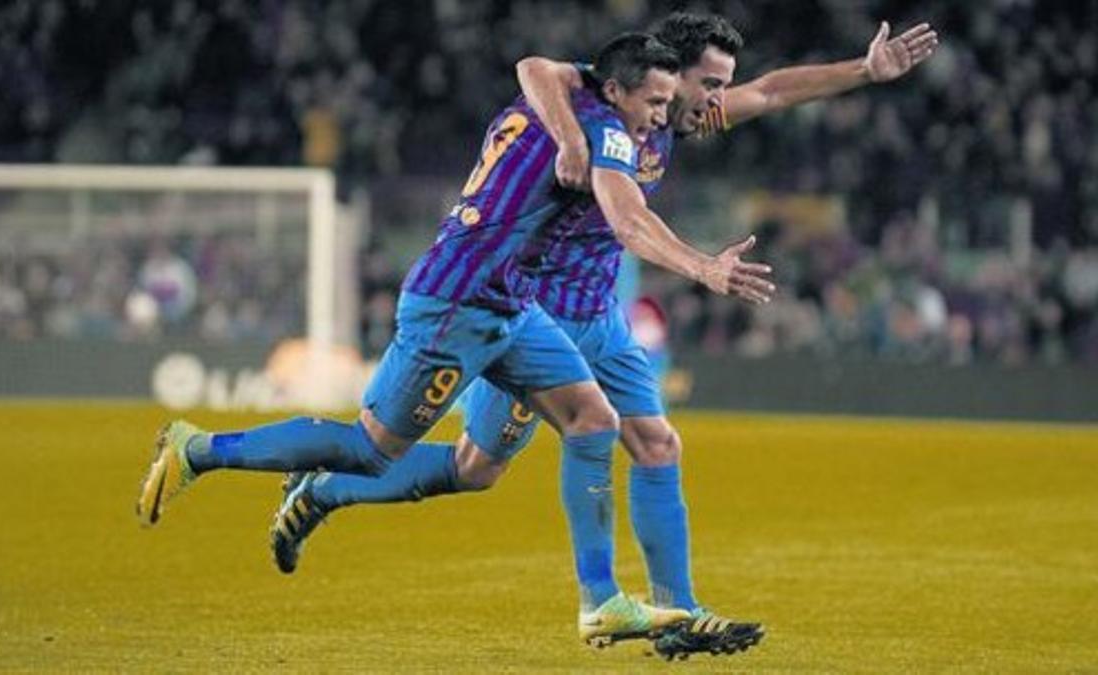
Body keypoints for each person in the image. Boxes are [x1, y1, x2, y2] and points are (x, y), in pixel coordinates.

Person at [269, 12, 937, 657]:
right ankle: (326, 488)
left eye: (713, 86)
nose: (713, 99)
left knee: (656, 441)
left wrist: (865, 70)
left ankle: (679, 612)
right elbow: (540, 74)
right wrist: (694, 258)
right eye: (706, 83)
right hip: (535, 315)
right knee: (476, 468)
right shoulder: (601, 116)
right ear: (668, 75)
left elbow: (769, 90)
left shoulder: (675, 117)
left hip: (602, 319)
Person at [136, 33, 773, 645]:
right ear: (614, 91)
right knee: (368, 450)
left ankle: (600, 602)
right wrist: (703, 267)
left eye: (668, 104)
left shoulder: (555, 98)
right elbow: (629, 217)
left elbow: (537, 66)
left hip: (512, 304)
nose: (660, 118)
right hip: (458, 303)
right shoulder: (607, 130)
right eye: (655, 103)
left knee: (590, 418)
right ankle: (200, 450)